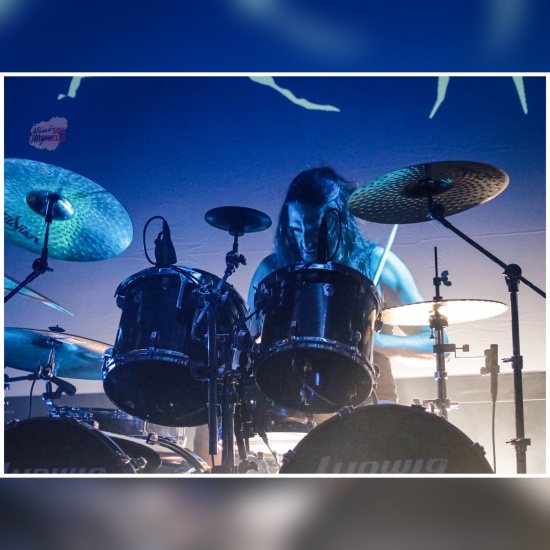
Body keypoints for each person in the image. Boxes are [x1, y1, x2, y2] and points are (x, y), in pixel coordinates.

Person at [247, 166, 434, 405]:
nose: (305, 241)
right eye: (296, 229)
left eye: (315, 230)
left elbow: (435, 345)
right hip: (291, 404)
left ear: (340, 220)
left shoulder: (377, 264)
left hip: (368, 407)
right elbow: (248, 343)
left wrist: (368, 341)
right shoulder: (272, 270)